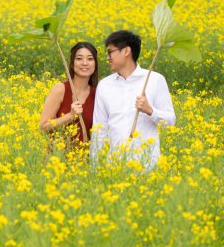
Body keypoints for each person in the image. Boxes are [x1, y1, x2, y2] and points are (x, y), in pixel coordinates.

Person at [90, 30, 175, 171]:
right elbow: (99, 130)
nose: (107, 58)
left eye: (110, 52)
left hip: (147, 167)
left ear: (126, 51)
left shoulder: (154, 80)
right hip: (114, 168)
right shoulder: (104, 85)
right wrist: (96, 168)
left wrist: (150, 111)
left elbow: (170, 120)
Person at [38, 42, 99, 151]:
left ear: (95, 63)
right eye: (79, 59)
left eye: (90, 59)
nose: (85, 63)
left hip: (85, 159)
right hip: (58, 159)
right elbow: (43, 129)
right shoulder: (60, 89)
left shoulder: (98, 94)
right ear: (71, 63)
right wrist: (70, 115)